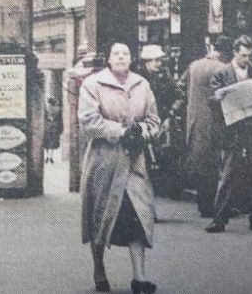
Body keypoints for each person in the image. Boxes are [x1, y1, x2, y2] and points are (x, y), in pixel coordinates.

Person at [80, 42, 159, 294]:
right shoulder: (92, 84)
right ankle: (99, 270)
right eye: (116, 53)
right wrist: (121, 131)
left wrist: (142, 131)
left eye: (126, 53)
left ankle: (139, 278)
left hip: (134, 162)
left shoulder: (142, 84)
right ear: (109, 59)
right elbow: (89, 121)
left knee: (139, 215)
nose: (121, 57)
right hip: (105, 161)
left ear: (131, 59)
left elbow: (154, 119)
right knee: (100, 216)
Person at [205, 35, 252, 234]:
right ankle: (219, 219)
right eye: (243, 55)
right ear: (235, 53)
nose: (246, 59)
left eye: (249, 56)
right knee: (227, 173)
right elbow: (212, 100)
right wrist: (217, 96)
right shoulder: (222, 73)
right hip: (232, 129)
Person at [179, 35, 228, 218]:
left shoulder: (194, 66)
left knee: (200, 162)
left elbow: (180, 86)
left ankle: (203, 204)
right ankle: (213, 205)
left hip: (194, 120)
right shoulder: (222, 68)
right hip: (215, 121)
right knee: (214, 163)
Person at [137, 45, 182, 198]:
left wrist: (170, 116)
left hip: (163, 121)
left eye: (160, 60)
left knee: (166, 154)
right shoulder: (138, 78)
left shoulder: (165, 76)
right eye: (155, 60)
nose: (159, 63)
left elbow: (178, 96)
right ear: (147, 61)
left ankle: (165, 190)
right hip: (144, 122)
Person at [43, 96, 64, 164]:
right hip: (51, 128)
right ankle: (49, 157)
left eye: (50, 104)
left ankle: (49, 157)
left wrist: (60, 129)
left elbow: (60, 120)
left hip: (50, 129)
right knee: (49, 143)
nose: (49, 105)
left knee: (50, 143)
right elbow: (61, 120)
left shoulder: (56, 110)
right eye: (49, 104)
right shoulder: (47, 110)